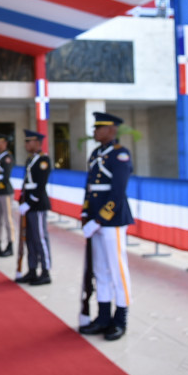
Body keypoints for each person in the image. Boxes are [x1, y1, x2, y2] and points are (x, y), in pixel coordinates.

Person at [78, 112, 133, 341]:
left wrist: (99, 219)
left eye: (99, 128)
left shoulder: (120, 154)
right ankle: (102, 318)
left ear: (112, 130)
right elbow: (90, 187)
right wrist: (85, 213)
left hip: (113, 220)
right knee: (100, 271)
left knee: (118, 271)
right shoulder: (95, 154)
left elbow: (117, 192)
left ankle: (120, 319)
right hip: (95, 220)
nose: (95, 131)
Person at [16, 129, 52, 285]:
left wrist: (29, 203)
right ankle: (32, 269)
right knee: (29, 239)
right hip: (28, 205)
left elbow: (40, 185)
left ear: (37, 143)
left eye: (28, 141)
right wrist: (21, 199)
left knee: (40, 239)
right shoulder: (31, 160)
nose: (26, 144)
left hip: (37, 205)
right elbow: (27, 183)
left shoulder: (44, 160)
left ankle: (45, 271)